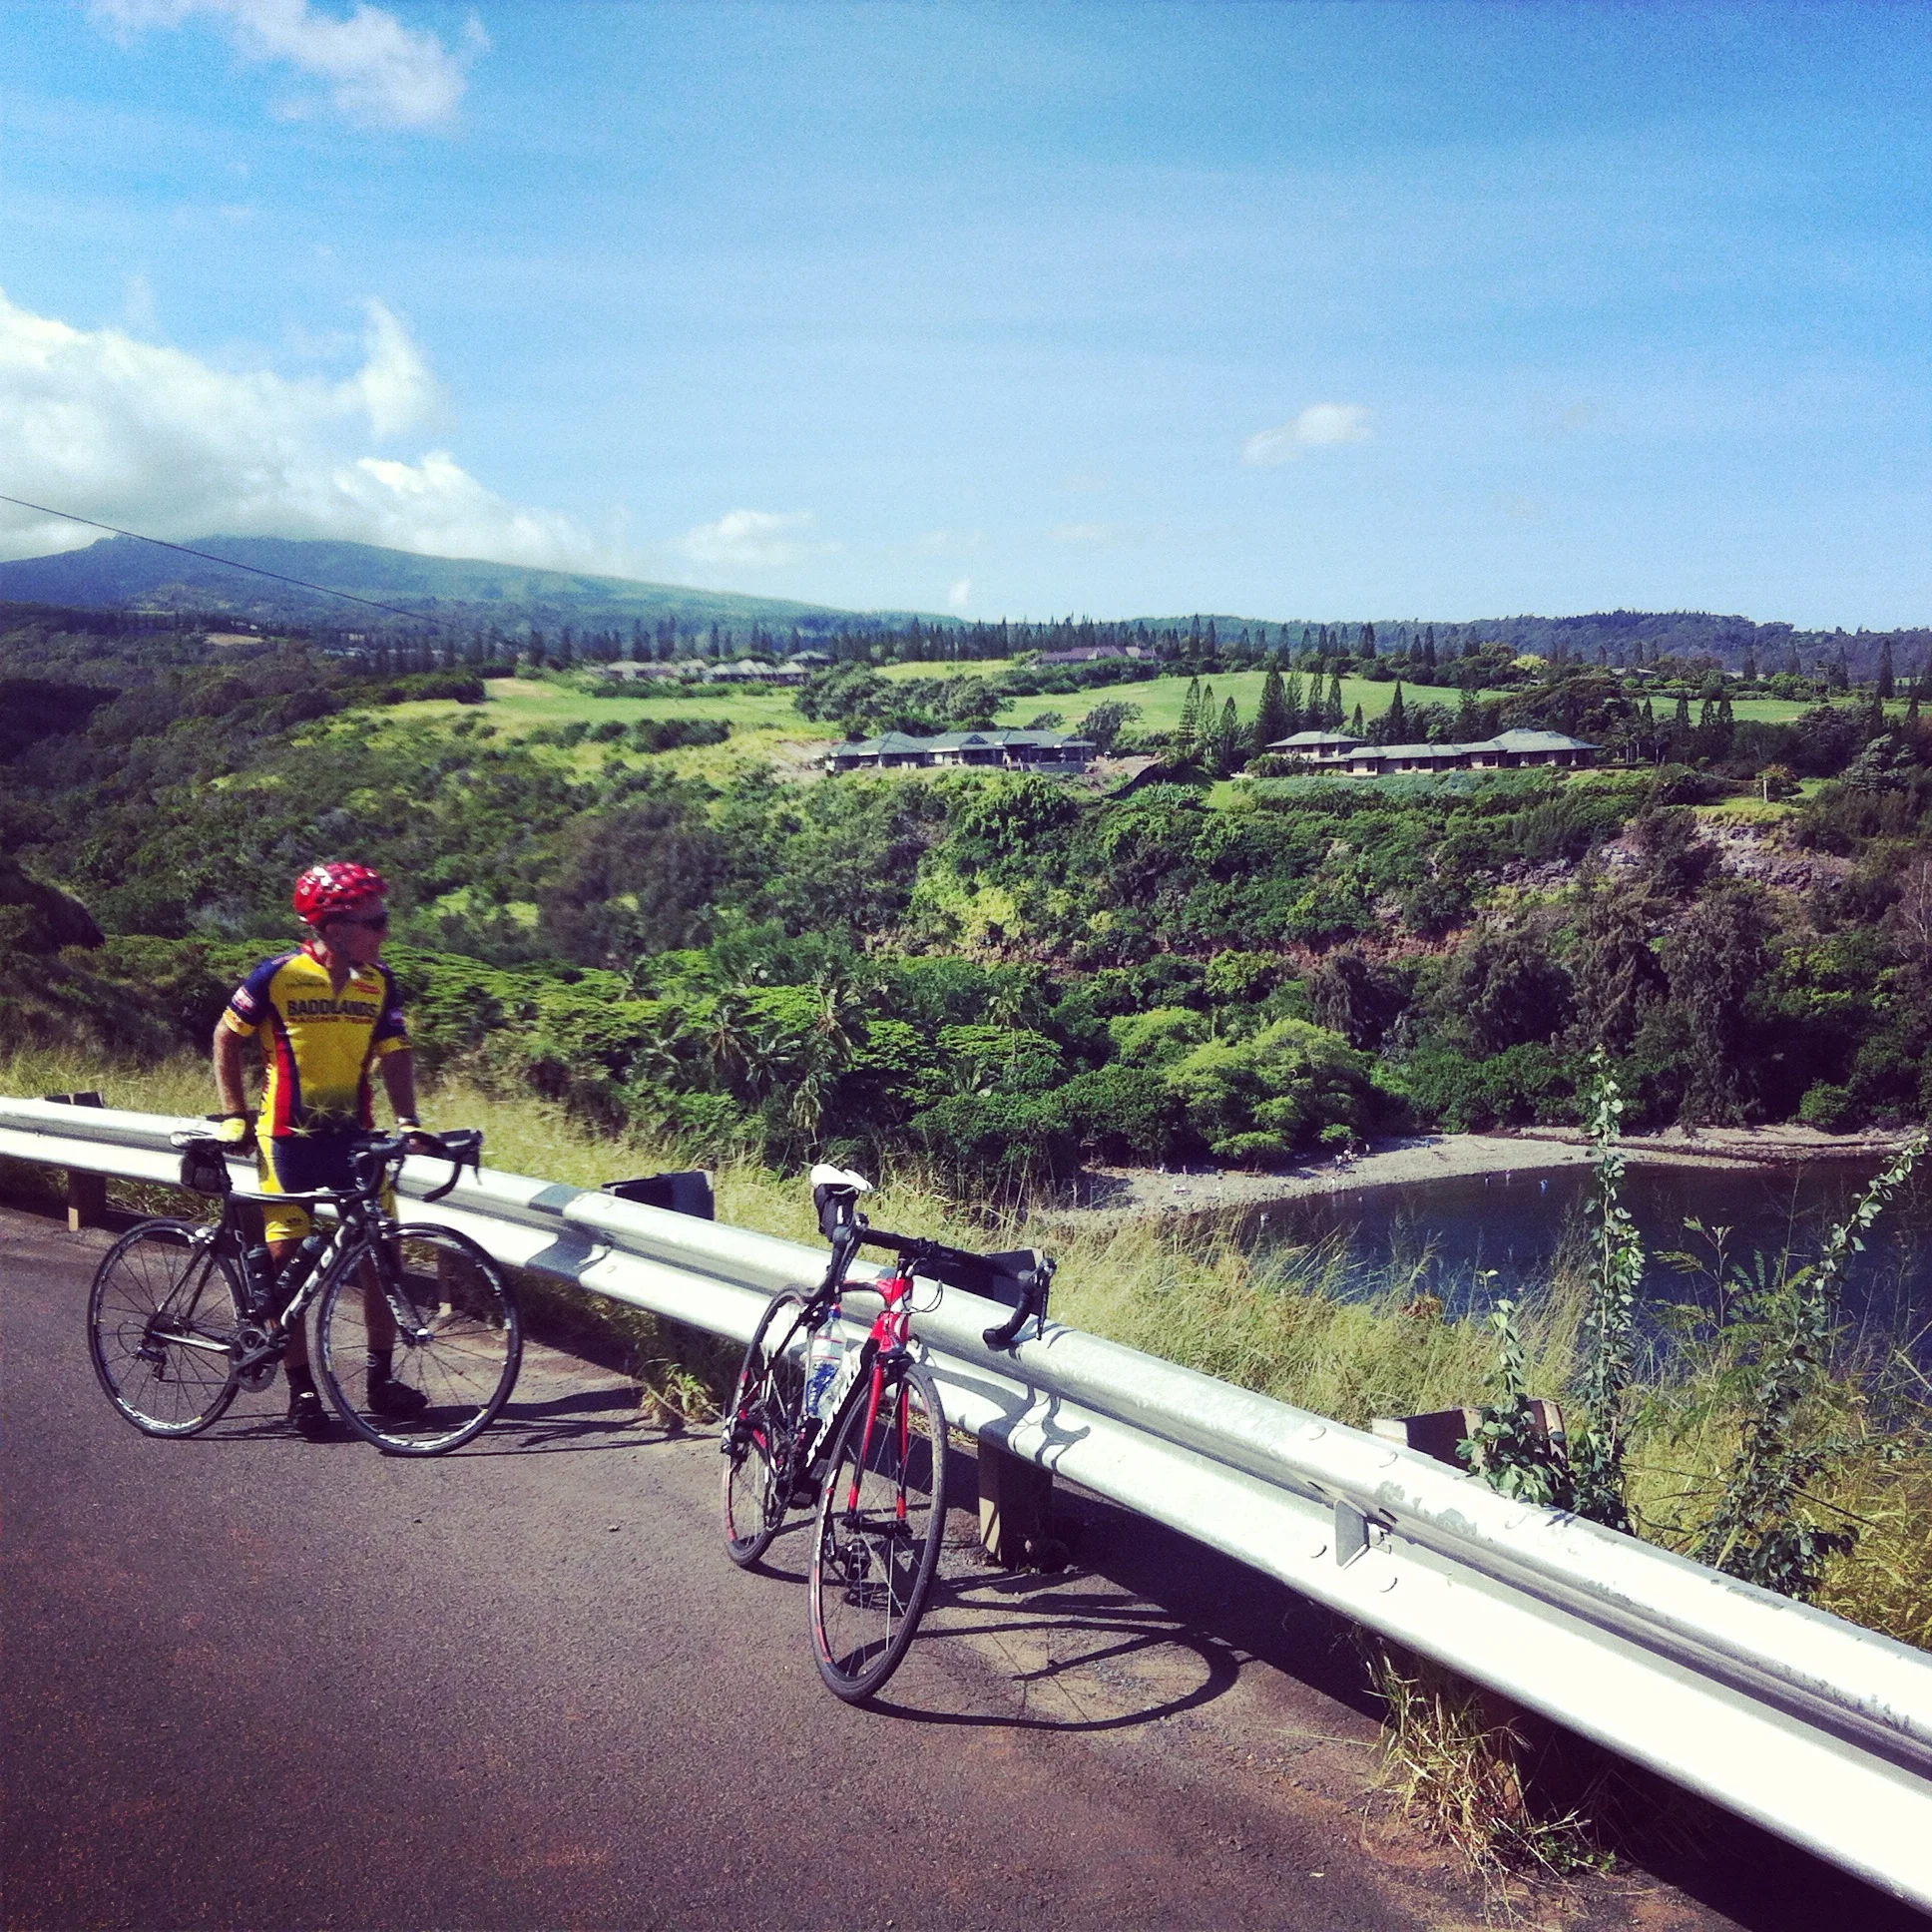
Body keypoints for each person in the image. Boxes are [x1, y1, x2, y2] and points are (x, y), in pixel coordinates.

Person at [212, 861, 426, 1438]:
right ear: (333, 928)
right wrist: (234, 1114)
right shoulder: (278, 975)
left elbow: (396, 1052)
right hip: (287, 1140)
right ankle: (301, 1390)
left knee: (382, 1258)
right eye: (374, 922)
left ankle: (380, 1382)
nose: (384, 931)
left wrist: (409, 1120)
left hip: (355, 1141)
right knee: (288, 1263)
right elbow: (226, 1036)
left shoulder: (379, 981)